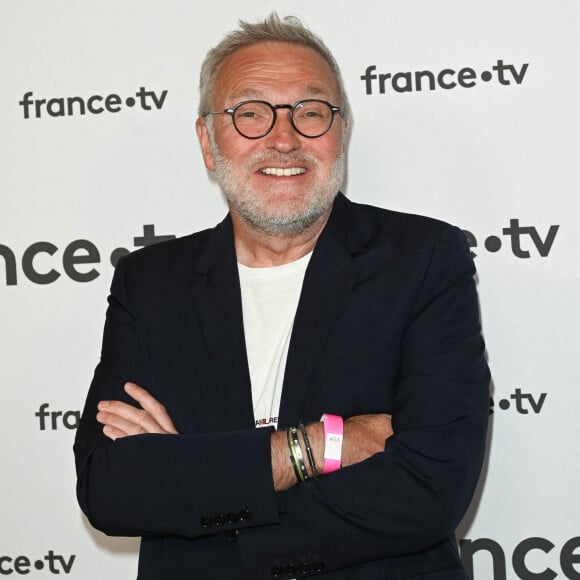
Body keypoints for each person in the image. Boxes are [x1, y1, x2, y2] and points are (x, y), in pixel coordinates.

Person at [74, 13, 490, 580]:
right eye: (250, 114)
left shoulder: (421, 259)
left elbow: (430, 490)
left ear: (341, 132)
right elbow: (111, 487)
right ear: (208, 140)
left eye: (311, 112)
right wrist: (316, 446)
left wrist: (197, 491)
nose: (284, 137)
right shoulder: (151, 284)